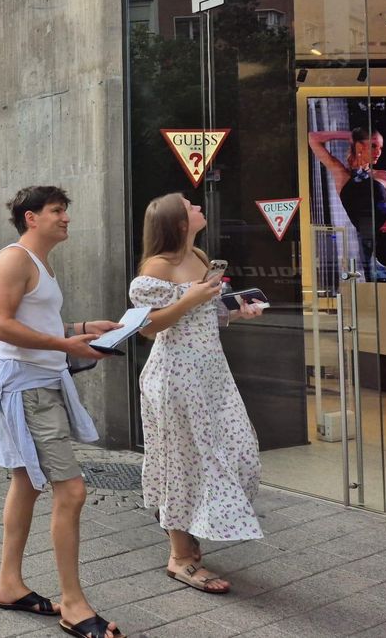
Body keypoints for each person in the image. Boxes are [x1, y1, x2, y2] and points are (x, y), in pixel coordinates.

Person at [0, 186, 123, 638]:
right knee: (72, 492)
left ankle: (9, 584)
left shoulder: (40, 264)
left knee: (25, 482)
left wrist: (83, 330)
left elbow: (34, 324)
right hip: (28, 389)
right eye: (57, 211)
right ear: (31, 218)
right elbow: (0, 326)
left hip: (40, 385)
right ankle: (74, 604)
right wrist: (65, 345)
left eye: (65, 210)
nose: (66, 218)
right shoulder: (13, 260)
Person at [130, 193, 265, 595]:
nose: (198, 206)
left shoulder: (201, 258)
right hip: (175, 376)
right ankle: (180, 558)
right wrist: (188, 297)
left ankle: (192, 533)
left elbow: (205, 315)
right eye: (189, 205)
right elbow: (148, 327)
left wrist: (237, 311)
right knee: (182, 462)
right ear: (177, 222)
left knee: (239, 450)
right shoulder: (158, 267)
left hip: (211, 373)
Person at [308, 128, 386, 277]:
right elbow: (313, 137)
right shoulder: (342, 176)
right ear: (359, 146)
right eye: (373, 146)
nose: (379, 152)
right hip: (369, 245)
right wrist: (349, 136)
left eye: (381, 147)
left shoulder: (384, 175)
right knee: (376, 290)